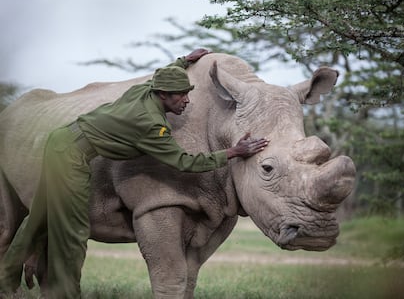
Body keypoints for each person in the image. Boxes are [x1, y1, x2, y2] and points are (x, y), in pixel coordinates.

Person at [0, 49, 269, 298]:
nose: (186, 100)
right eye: (179, 94)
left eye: (187, 92)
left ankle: (5, 277)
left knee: (38, 217)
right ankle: (63, 293)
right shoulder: (151, 124)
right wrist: (234, 152)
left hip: (60, 141)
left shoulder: (143, 92)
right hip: (71, 157)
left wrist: (183, 60)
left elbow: (157, 78)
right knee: (73, 232)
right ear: (162, 95)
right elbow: (184, 162)